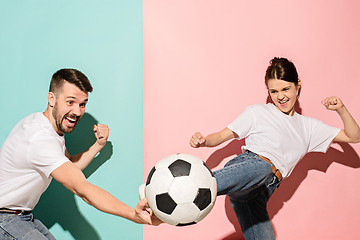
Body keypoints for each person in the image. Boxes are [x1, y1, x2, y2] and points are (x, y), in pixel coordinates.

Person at [190, 57, 360, 240]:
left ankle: (192, 191)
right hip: (249, 168)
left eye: (286, 89)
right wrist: (204, 141)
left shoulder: (310, 128)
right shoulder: (258, 112)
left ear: (298, 86)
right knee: (262, 167)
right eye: (274, 91)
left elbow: (354, 136)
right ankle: (186, 190)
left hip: (262, 192)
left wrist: (340, 109)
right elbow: (222, 135)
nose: (280, 97)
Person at [0, 69, 160, 240]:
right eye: (70, 102)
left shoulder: (45, 126)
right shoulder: (39, 139)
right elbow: (82, 189)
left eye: (82, 104)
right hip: (5, 218)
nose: (77, 111)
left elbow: (70, 166)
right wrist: (132, 215)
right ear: (51, 98)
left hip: (22, 216)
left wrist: (98, 145)